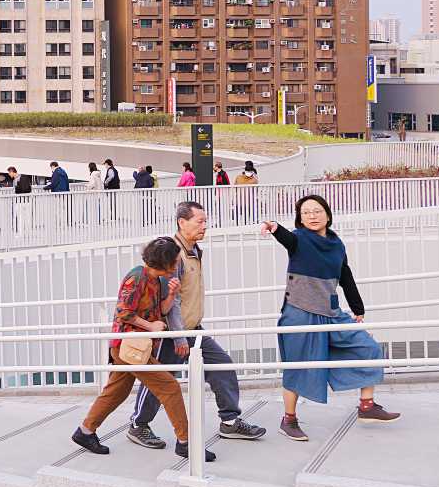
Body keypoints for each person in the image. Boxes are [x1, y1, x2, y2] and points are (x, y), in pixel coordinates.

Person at [125, 201, 267, 451]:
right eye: (199, 221)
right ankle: (138, 424)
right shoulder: (173, 254)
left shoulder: (194, 250)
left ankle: (230, 421)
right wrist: (179, 338)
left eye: (205, 221)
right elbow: (172, 302)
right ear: (182, 222)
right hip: (174, 332)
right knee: (161, 380)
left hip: (193, 328)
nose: (205, 225)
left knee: (221, 365)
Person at [266, 195, 400, 439]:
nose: (312, 216)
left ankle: (367, 406)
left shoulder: (337, 244)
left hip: (331, 311)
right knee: (297, 368)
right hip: (300, 312)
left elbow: (345, 276)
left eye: (317, 211)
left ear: (327, 214)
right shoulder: (298, 239)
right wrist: (275, 228)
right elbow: (286, 238)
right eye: (306, 213)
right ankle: (289, 420)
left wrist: (358, 309)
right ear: (300, 219)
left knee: (368, 347)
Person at [71, 236, 214, 462]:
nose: (177, 266)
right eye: (174, 262)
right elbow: (123, 312)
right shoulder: (136, 277)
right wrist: (150, 326)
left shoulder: (159, 280)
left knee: (116, 391)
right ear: (164, 262)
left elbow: (162, 311)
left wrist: (172, 294)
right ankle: (186, 443)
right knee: (170, 387)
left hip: (136, 346)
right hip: (129, 347)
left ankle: (85, 431)